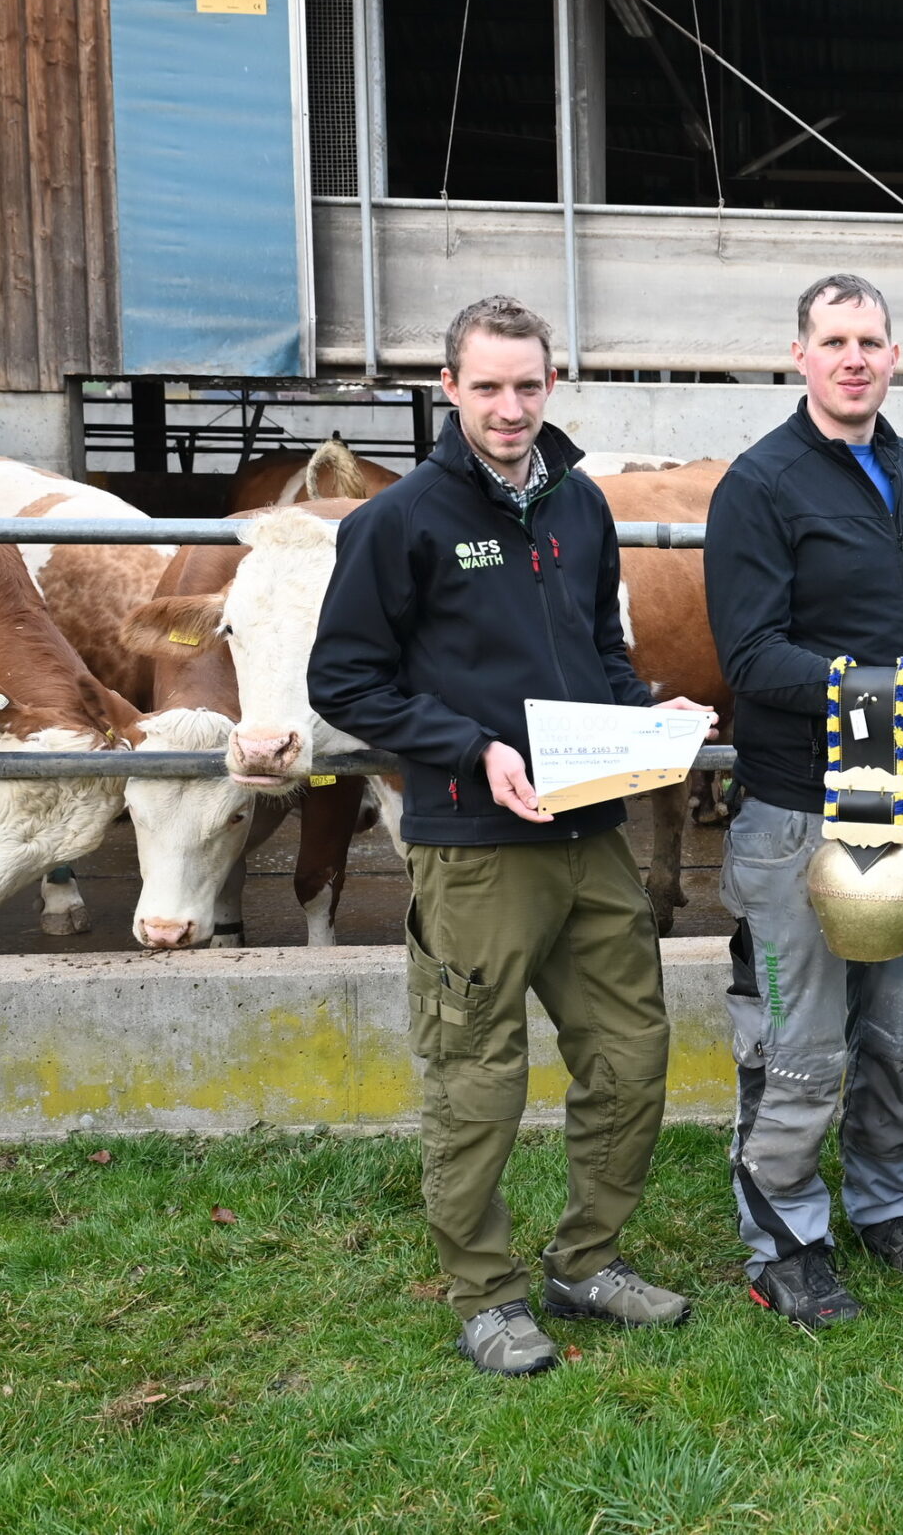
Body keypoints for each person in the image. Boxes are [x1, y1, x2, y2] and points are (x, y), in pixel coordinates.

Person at [311, 295, 713, 1377]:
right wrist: (470, 747)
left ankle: (588, 1261)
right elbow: (344, 681)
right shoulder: (398, 521)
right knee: (477, 1076)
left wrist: (645, 717)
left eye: (527, 385)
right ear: (449, 387)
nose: (509, 406)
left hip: (590, 830)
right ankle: (485, 1295)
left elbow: (600, 650)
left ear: (551, 385)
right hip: (477, 843)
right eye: (486, 386)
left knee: (630, 1056)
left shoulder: (580, 505)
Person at [705, 274, 903, 1327]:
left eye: (869, 340)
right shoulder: (759, 484)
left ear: (894, 355)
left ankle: (887, 1202)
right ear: (800, 356)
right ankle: (785, 1239)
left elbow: (902, 630)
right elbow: (751, 658)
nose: (853, 358)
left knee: (900, 1027)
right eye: (833, 341)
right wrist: (896, 689)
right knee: (801, 1042)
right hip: (801, 809)